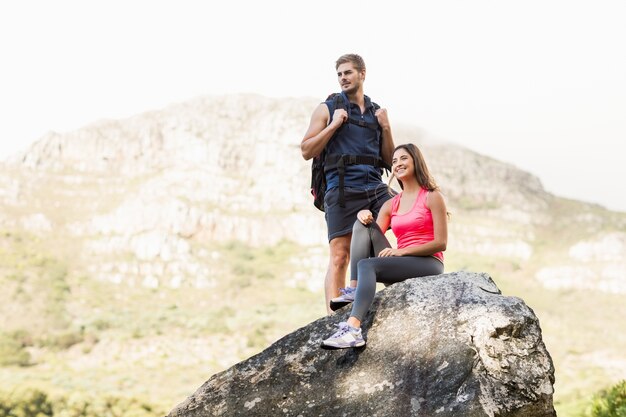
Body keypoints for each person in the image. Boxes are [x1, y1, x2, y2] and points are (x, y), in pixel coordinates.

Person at [321, 143, 448, 349]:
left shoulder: (432, 197)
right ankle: (353, 289)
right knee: (361, 224)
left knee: (367, 266)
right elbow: (370, 236)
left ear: (416, 161)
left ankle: (353, 328)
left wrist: (401, 251)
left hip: (429, 263)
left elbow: (441, 243)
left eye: (404, 158)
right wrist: (363, 216)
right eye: (395, 161)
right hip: (402, 263)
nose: (398, 164)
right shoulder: (391, 204)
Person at [301, 53, 395, 315]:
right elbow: (307, 150)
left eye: (348, 72)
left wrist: (386, 128)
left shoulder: (377, 112)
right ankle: (334, 317)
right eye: (340, 74)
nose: (343, 78)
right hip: (342, 188)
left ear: (362, 74)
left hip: (374, 186)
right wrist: (334, 124)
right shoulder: (328, 108)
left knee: (404, 208)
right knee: (340, 255)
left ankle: (410, 273)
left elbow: (389, 160)